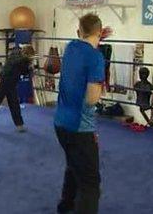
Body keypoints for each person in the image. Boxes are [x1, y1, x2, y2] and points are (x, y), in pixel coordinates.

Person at [54, 13, 105, 214]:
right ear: (99, 33)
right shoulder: (96, 57)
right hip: (80, 127)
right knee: (91, 183)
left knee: (73, 165)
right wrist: (101, 88)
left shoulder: (70, 47)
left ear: (78, 32)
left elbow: (86, 41)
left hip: (60, 123)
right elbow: (92, 99)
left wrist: (97, 35)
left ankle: (65, 205)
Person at [0, 44, 35, 132]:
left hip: (12, 84)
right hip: (3, 81)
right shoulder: (16, 55)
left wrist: (30, 69)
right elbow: (16, 62)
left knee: (14, 104)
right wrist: (27, 63)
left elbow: (24, 72)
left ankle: (19, 125)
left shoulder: (23, 60)